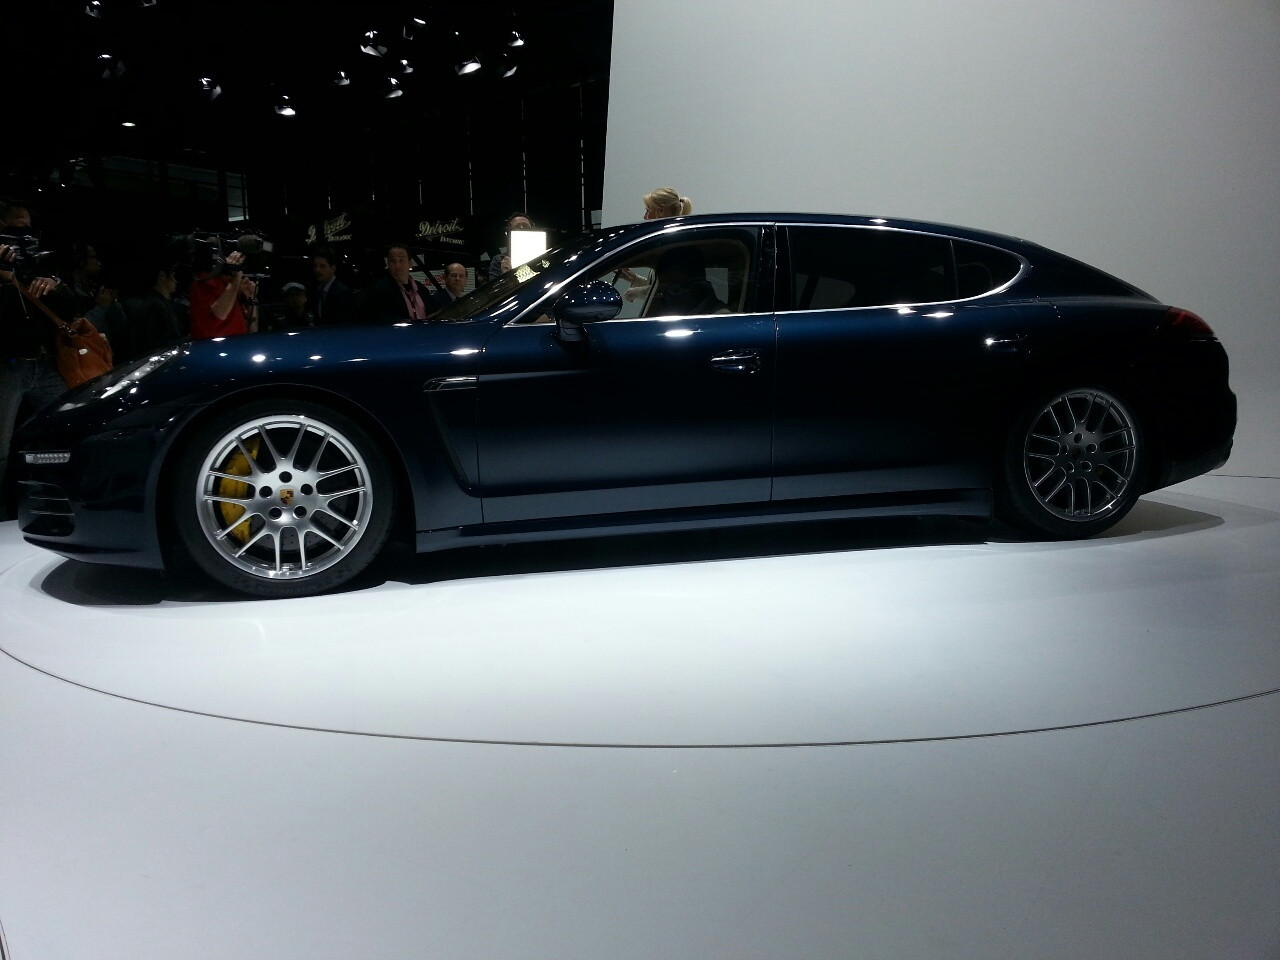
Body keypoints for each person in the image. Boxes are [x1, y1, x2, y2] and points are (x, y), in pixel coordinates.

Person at [0, 215, 78, 516]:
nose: (23, 232)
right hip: (8, 367)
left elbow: (72, 311)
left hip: (44, 364)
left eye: (27, 225)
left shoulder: (37, 265)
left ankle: (57, 498)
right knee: (1, 449)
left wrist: (56, 285)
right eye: (16, 225)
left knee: (65, 429)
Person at [117, 256, 186, 364]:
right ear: (162, 276)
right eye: (173, 276)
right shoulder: (154, 306)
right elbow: (159, 345)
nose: (176, 281)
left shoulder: (159, 303)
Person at [187, 239, 258, 339]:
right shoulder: (204, 280)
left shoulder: (231, 286)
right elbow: (220, 313)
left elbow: (253, 330)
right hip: (212, 347)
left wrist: (251, 298)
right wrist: (237, 275)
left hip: (237, 345)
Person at [358, 243, 433, 323]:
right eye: (392, 261)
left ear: (410, 263)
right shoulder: (379, 291)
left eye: (401, 260)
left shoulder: (421, 289)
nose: (397, 266)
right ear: (388, 264)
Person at [311, 245, 355, 326]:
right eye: (315, 266)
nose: (317, 270)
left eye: (322, 266)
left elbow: (344, 325)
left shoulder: (342, 293)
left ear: (333, 269)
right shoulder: (318, 291)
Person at [486, 212, 534, 280]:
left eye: (525, 226)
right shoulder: (499, 261)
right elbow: (495, 285)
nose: (521, 228)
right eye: (517, 227)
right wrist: (507, 274)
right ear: (508, 233)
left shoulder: (543, 254)